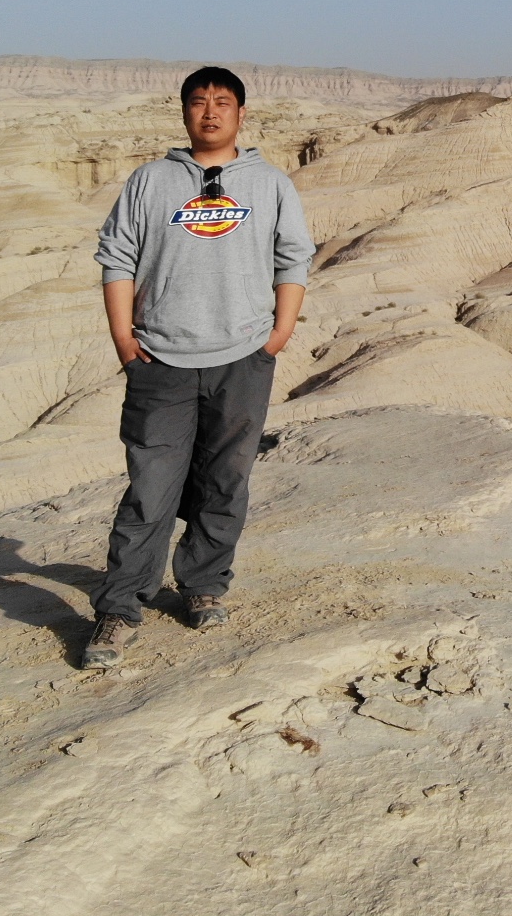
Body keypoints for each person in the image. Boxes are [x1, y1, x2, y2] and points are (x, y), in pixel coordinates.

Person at [80, 65, 314, 669]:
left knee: (225, 482)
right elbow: (117, 257)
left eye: (223, 102)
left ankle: (204, 584)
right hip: (161, 360)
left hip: (243, 360)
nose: (210, 112)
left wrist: (279, 335)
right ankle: (120, 607)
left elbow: (293, 259)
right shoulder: (150, 181)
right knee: (150, 489)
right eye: (199, 102)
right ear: (183, 111)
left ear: (241, 113)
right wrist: (124, 340)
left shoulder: (270, 184)